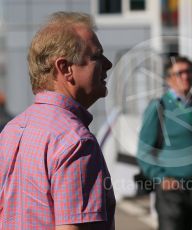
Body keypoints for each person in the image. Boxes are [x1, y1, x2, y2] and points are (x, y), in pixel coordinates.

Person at [0, 12, 115, 229]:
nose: (108, 64)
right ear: (65, 68)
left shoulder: (11, 130)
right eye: (97, 57)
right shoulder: (76, 142)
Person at [137, 56, 192, 230]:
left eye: (189, 72)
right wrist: (161, 178)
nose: (185, 77)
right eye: (179, 73)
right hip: (171, 190)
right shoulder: (159, 106)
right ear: (168, 79)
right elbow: (144, 150)